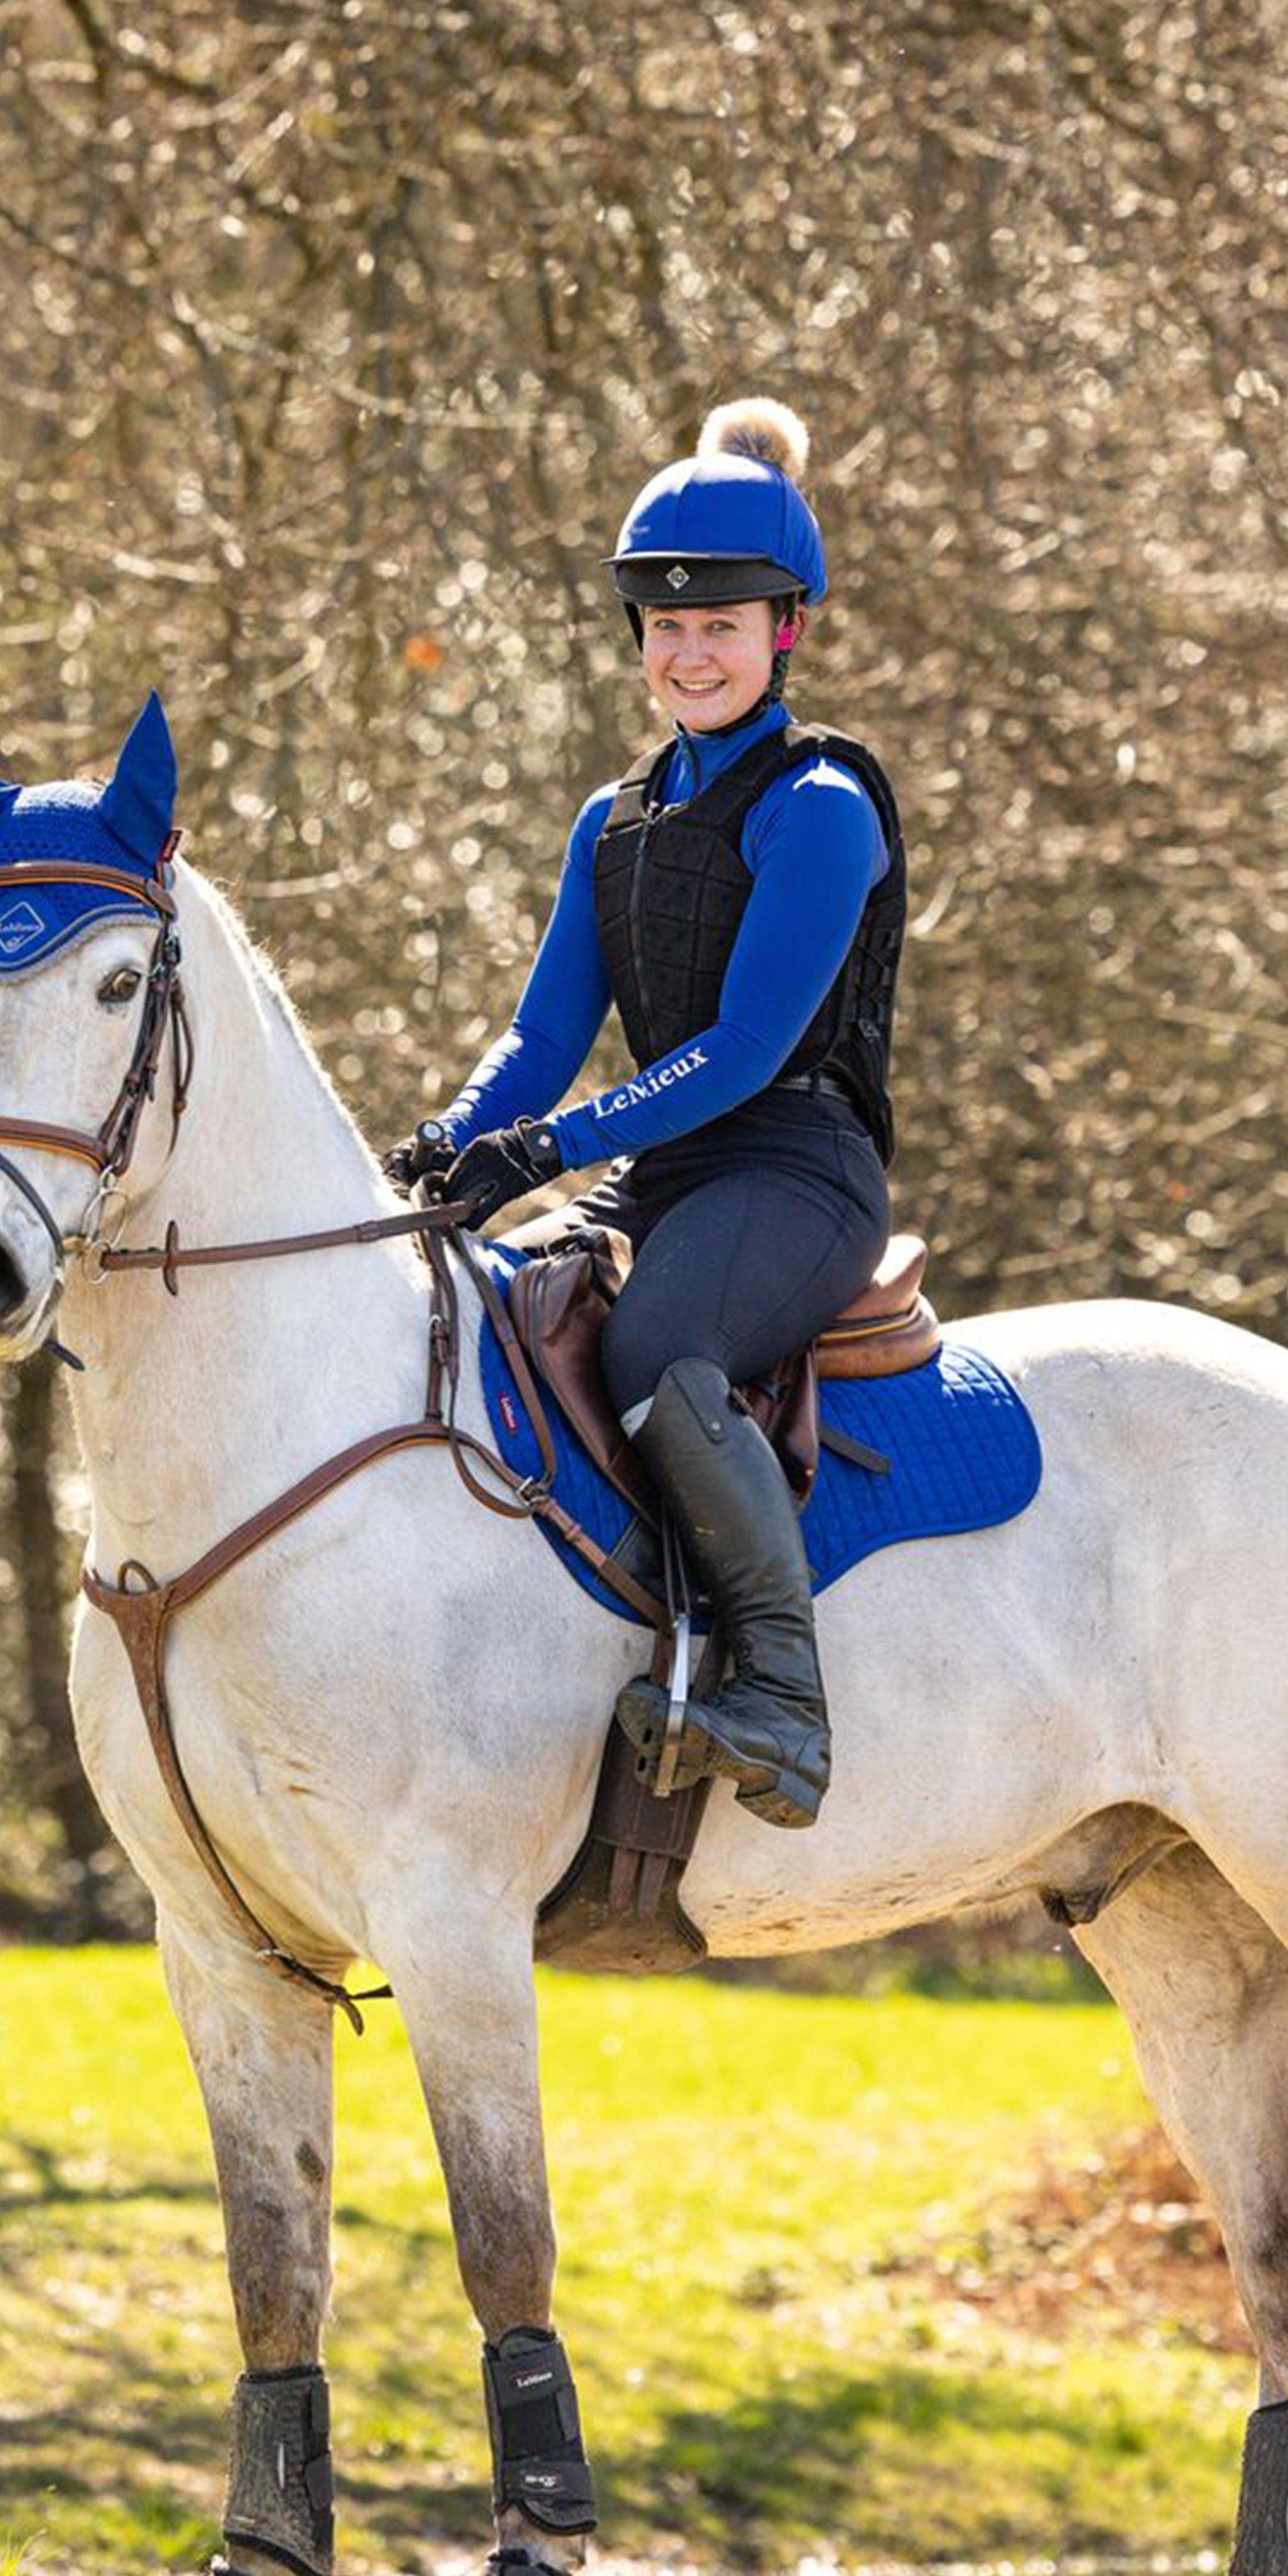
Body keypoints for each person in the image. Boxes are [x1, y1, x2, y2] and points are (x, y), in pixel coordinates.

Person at [385, 398, 907, 1830]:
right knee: (484, 1303)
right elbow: (545, 1030)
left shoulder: (818, 805)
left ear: (782, 632)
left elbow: (746, 1049)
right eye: (665, 629)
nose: (689, 652)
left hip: (796, 1164)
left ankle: (785, 1700)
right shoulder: (611, 819)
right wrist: (455, 1137)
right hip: (670, 1166)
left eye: (722, 627)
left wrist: (549, 1149)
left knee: (658, 1347)